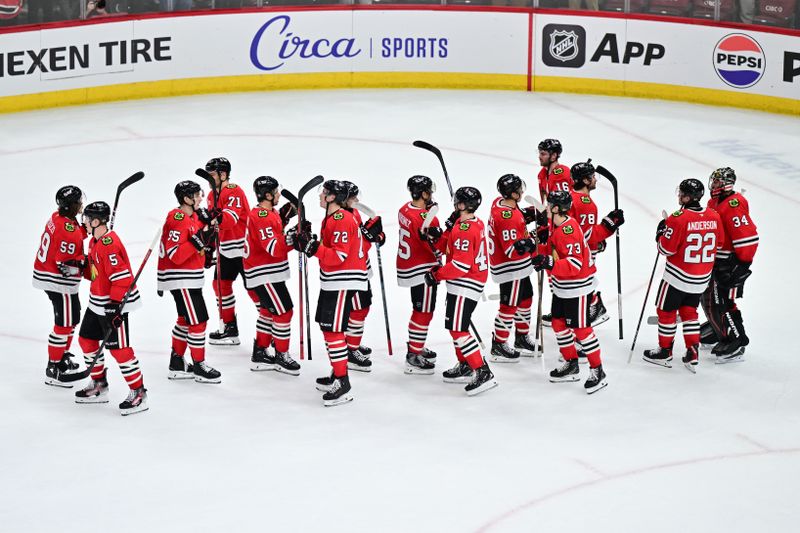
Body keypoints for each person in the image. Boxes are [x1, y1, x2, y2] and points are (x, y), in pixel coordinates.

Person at [294, 180, 368, 406]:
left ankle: (343, 383)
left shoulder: (341, 219)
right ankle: (337, 374)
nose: (320, 195)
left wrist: (312, 248)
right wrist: (311, 243)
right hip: (333, 281)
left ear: (332, 197)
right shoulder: (332, 218)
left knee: (333, 330)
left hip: (342, 281)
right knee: (328, 328)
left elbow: (339, 256)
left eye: (324, 193)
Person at [74, 201, 147, 415]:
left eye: (87, 219)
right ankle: (99, 384)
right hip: (96, 302)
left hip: (113, 304)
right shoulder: (95, 242)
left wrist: (115, 308)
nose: (84, 223)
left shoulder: (109, 244)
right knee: (86, 340)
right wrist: (81, 266)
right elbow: (96, 273)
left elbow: (123, 279)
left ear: (96, 221)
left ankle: (139, 393)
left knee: (120, 350)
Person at [424, 187, 498, 396]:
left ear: (462, 205)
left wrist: (436, 274)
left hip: (465, 283)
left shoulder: (465, 228)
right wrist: (441, 235)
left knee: (459, 330)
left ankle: (482, 371)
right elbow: (449, 248)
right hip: (462, 283)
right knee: (456, 327)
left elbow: (460, 266)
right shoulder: (470, 222)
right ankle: (465, 365)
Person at [643, 178, 723, 373]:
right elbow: (719, 245)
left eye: (681, 193)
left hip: (677, 277)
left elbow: (665, 249)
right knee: (689, 311)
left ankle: (665, 351)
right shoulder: (714, 215)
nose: (679, 196)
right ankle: (692, 351)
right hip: (701, 278)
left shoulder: (678, 218)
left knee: (665, 311)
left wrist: (661, 231)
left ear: (687, 197)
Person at [534, 191, 607, 394]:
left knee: (582, 330)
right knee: (558, 324)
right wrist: (537, 244)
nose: (547, 208)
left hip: (577, 287)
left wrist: (548, 262)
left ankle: (598, 371)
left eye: (549, 205)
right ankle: (571, 363)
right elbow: (554, 251)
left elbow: (574, 264)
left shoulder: (568, 231)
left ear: (557, 208)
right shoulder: (559, 225)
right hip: (563, 287)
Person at [157, 180, 222, 384]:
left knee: (186, 320)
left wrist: (207, 242)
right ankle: (199, 365)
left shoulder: (191, 216)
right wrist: (200, 239)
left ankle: (177, 364)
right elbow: (175, 254)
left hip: (189, 278)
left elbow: (197, 240)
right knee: (198, 321)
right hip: (181, 279)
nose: (201, 197)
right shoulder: (177, 218)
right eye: (197, 195)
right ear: (187, 199)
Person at [243, 176, 301, 375]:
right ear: (267, 195)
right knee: (284, 312)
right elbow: (273, 247)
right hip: (264, 273)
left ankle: (260, 353)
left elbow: (273, 233)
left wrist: (286, 221)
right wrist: (294, 239)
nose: (278, 195)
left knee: (268, 312)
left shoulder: (268, 212)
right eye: (276, 192)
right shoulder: (261, 216)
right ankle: (281, 356)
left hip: (266, 271)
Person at [700, 167, 758, 363]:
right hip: (714, 260)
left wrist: (742, 266)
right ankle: (717, 327)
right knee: (707, 298)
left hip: (728, 262)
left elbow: (748, 237)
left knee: (722, 300)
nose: (713, 185)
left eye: (717, 182)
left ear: (727, 183)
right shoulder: (713, 202)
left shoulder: (734, 204)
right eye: (713, 182)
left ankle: (736, 340)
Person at [33, 185, 87, 386]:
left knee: (72, 317)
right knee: (64, 323)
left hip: (48, 273)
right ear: (72, 205)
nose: (82, 204)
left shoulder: (58, 217)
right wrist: (88, 262)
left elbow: (72, 233)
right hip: (57, 281)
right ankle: (53, 367)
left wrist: (87, 230)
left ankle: (62, 356)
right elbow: (66, 266)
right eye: (79, 201)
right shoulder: (68, 232)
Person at [487, 174, 539, 363]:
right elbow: (512, 251)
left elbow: (515, 217)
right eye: (519, 190)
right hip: (511, 269)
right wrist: (533, 241)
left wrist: (528, 214)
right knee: (509, 306)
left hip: (519, 268)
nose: (522, 192)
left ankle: (521, 338)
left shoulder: (500, 203)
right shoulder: (506, 217)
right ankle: (499, 345)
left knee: (526, 298)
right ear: (514, 194)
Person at [568, 160, 625, 326]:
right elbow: (585, 235)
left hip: (568, 252)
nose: (595, 179)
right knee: (581, 289)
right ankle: (589, 313)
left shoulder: (569, 197)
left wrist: (599, 243)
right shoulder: (586, 204)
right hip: (580, 255)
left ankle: (588, 308)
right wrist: (608, 226)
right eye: (593, 176)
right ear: (585, 181)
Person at [205, 157, 250, 345]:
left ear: (223, 174)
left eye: (212, 174)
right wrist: (208, 247)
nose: (209, 178)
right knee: (220, 286)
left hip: (245, 249)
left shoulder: (234, 191)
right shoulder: (210, 195)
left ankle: (272, 331)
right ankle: (230, 328)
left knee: (256, 292)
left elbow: (229, 220)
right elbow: (213, 226)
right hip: (226, 249)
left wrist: (216, 217)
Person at [397, 175, 440, 374]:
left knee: (419, 308)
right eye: (429, 192)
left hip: (408, 265)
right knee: (424, 312)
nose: (431, 195)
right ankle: (414, 354)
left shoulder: (405, 209)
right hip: (423, 269)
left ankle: (417, 345)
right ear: (423, 193)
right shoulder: (426, 219)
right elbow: (437, 248)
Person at [342, 182, 384, 372]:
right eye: (353, 198)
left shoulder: (353, 213)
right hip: (352, 272)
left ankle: (352, 343)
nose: (357, 201)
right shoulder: (343, 219)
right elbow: (355, 250)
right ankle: (350, 350)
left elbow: (362, 239)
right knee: (359, 309)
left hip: (360, 269)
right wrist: (368, 238)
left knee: (360, 307)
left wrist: (376, 235)